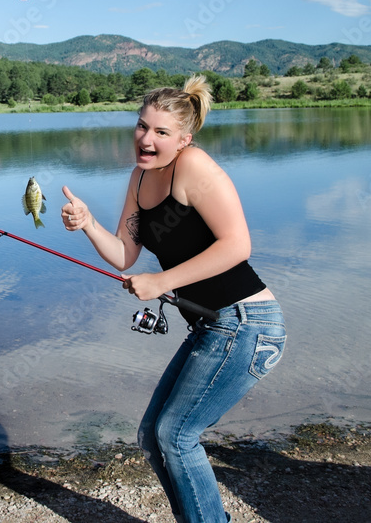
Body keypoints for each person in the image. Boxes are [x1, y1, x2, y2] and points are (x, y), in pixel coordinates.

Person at [60, 74, 286, 523]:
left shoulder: (195, 166)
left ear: (185, 139)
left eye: (161, 132)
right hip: (211, 325)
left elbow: (237, 245)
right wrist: (86, 222)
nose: (147, 138)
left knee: (177, 435)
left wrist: (161, 282)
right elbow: (125, 254)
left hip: (247, 322)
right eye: (143, 126)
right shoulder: (140, 178)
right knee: (153, 435)